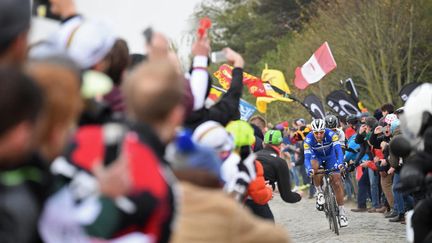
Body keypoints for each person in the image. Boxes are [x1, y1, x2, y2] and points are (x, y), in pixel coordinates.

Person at [304, 119, 348, 227]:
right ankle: (319, 192)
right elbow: (307, 158)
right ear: (312, 132)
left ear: (325, 130)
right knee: (314, 168)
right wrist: (309, 169)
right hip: (316, 158)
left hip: (330, 157)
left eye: (321, 132)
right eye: (316, 133)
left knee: (337, 182)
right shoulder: (308, 139)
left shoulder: (332, 135)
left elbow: (338, 151)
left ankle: (342, 213)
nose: (319, 135)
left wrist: (340, 163)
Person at [256, 129, 301, 221]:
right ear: (280, 146)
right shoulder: (280, 162)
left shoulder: (253, 156)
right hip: (256, 200)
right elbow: (287, 196)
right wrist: (298, 195)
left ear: (263, 144)